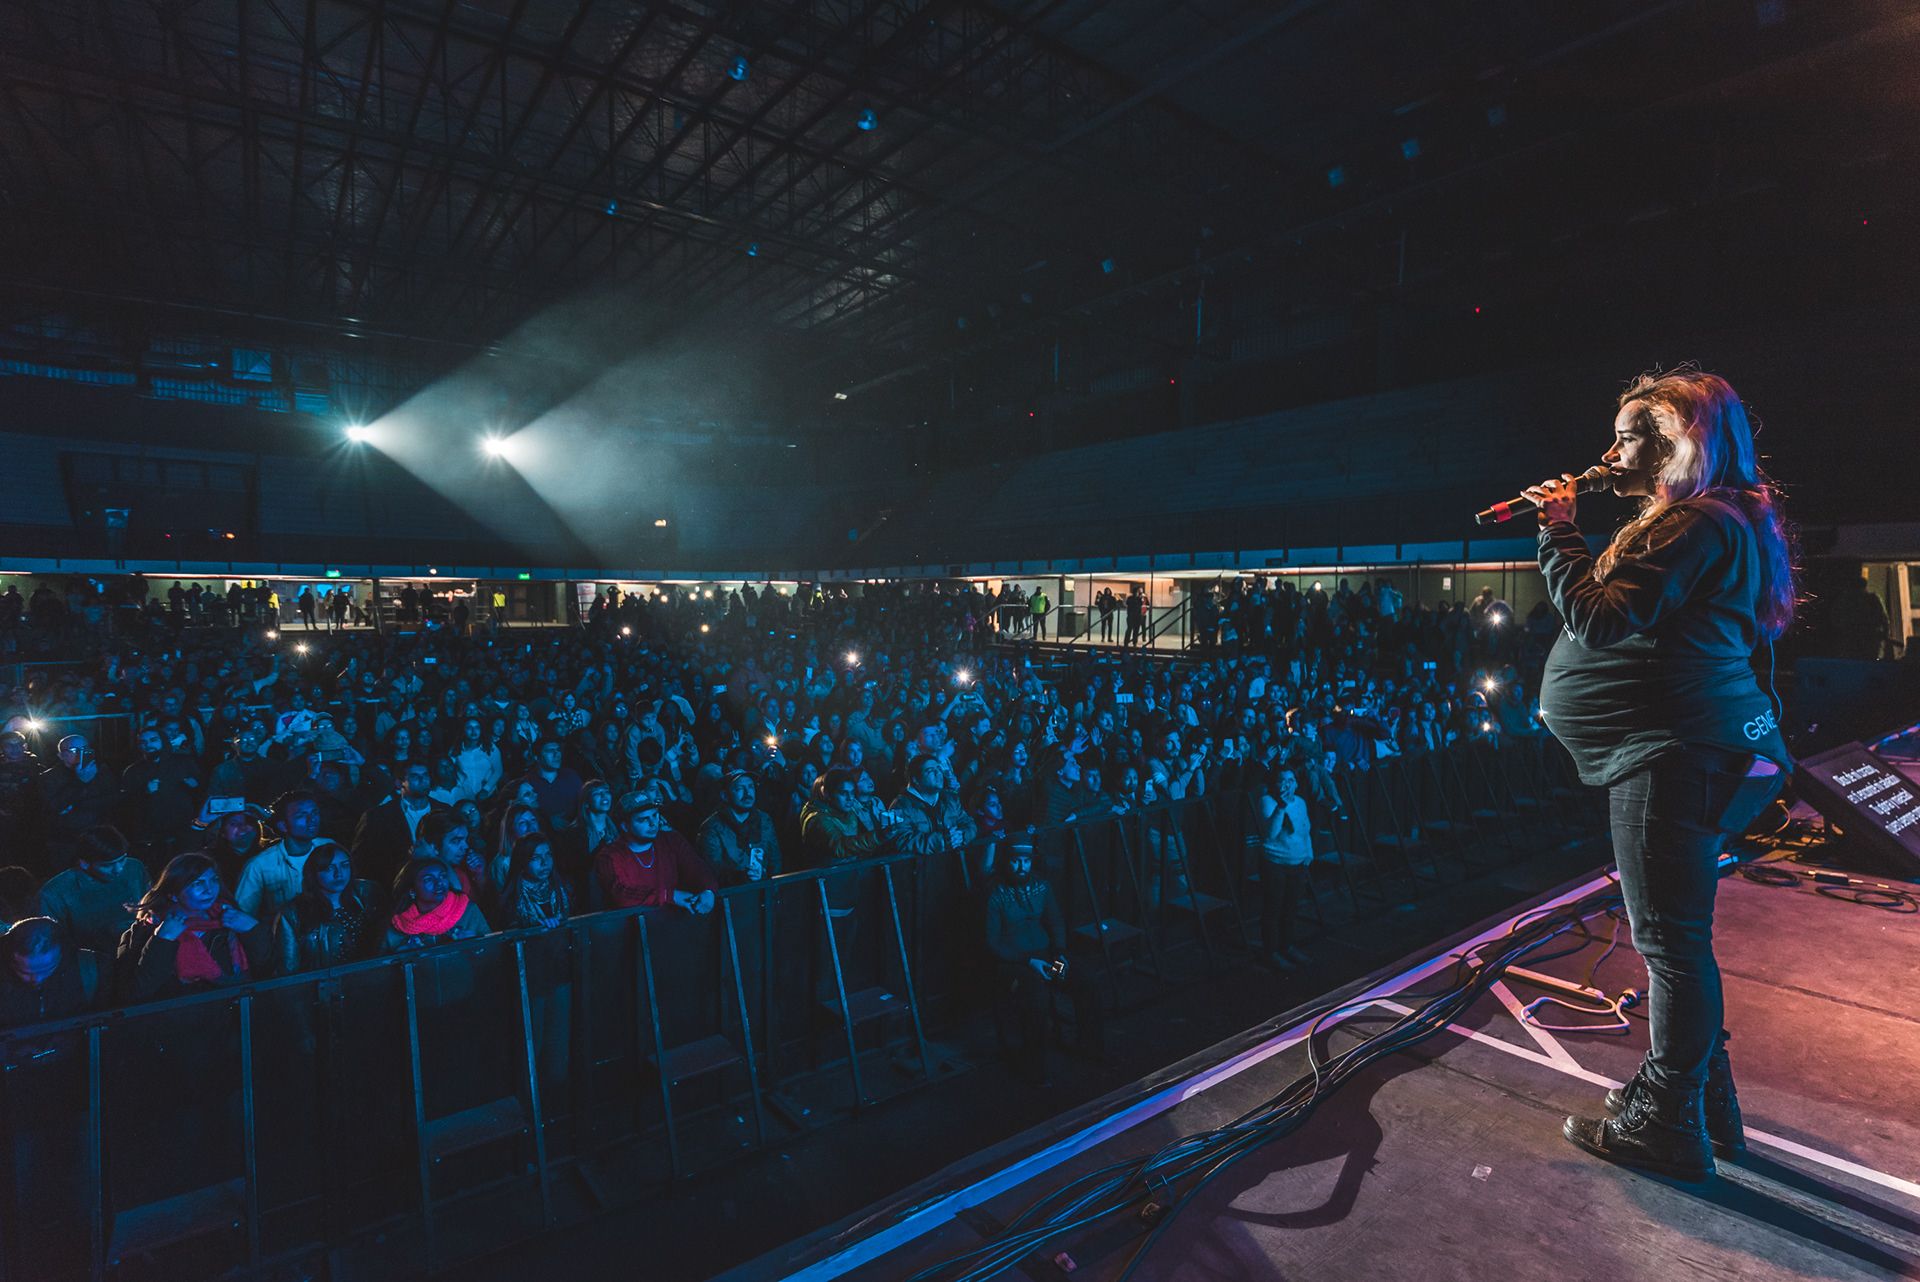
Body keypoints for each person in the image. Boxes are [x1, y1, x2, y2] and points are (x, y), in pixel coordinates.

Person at [1526, 368, 1794, 1183]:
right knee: (1683, 942)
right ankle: (1705, 1104)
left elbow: (1600, 619)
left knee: (1670, 946)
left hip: (1671, 750)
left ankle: (1666, 1123)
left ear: (1680, 442)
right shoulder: (1720, 519)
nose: (1610, 453)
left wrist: (1559, 533)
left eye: (1628, 437)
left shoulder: (1695, 521)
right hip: (1694, 746)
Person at [983, 844, 1104, 1084]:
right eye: (1016, 861)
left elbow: (1055, 921)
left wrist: (1059, 953)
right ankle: (1032, 1066)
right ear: (1006, 861)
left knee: (1087, 980)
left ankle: (1091, 1047)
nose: (1022, 867)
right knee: (1037, 997)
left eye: (1026, 861)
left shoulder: (1041, 886)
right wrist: (1028, 961)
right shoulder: (995, 894)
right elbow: (992, 941)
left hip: (1047, 957)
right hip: (1014, 963)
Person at [116, 853, 268, 1003]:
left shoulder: (230, 921)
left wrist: (252, 930)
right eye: (198, 883)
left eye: (214, 880)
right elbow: (133, 994)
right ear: (173, 894)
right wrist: (162, 941)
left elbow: (267, 973)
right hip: (176, 1015)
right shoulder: (144, 931)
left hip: (230, 1013)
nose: (209, 890)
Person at [32, 825, 149, 955]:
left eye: (122, 860)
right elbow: (52, 943)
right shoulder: (54, 894)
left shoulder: (134, 868)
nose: (118, 869)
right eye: (107, 865)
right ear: (84, 864)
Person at [592, 792, 716, 912]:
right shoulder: (609, 856)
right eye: (643, 820)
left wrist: (708, 890)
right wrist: (668, 895)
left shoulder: (672, 840)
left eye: (655, 815)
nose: (653, 824)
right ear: (625, 826)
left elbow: (697, 869)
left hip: (675, 919)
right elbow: (621, 894)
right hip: (631, 924)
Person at [272, 844, 382, 973]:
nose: (339, 874)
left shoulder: (367, 892)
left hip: (371, 976)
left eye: (345, 866)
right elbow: (289, 968)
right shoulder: (293, 912)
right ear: (314, 872)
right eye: (330, 868)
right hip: (325, 982)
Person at [351, 761, 450, 889]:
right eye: (415, 776)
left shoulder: (445, 811)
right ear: (399, 783)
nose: (423, 780)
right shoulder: (378, 816)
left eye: (426, 775)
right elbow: (361, 859)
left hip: (443, 883)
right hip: (395, 887)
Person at [1252, 765, 1313, 971]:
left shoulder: (1301, 802)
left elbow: (1305, 829)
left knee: (1291, 908)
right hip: (1275, 863)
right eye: (1282, 780)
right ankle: (1271, 953)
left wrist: (1309, 852)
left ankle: (1287, 946)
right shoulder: (1267, 801)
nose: (1286, 785)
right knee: (1273, 909)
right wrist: (1281, 807)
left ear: (1296, 783)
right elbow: (1270, 835)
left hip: (1297, 863)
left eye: (1290, 780)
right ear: (1275, 783)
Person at [235, 791, 329, 922]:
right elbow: (242, 913)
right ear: (283, 826)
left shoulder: (329, 848)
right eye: (301, 815)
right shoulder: (259, 865)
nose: (311, 820)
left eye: (314, 813)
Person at [383, 857, 491, 951]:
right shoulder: (398, 924)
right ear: (412, 890)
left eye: (443, 876)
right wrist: (401, 956)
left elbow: (492, 953)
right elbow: (381, 965)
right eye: (428, 879)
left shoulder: (468, 911)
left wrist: (474, 946)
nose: (439, 882)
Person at [695, 770, 782, 886]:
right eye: (740, 788)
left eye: (751, 787)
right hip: (733, 893)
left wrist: (769, 881)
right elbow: (711, 872)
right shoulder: (712, 828)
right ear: (725, 796)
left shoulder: (764, 820)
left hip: (764, 890)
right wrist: (741, 877)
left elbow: (775, 859)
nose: (747, 793)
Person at [495, 833, 571, 930]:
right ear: (522, 863)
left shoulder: (566, 887)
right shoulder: (510, 902)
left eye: (548, 854)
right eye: (536, 857)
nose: (545, 862)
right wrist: (535, 930)